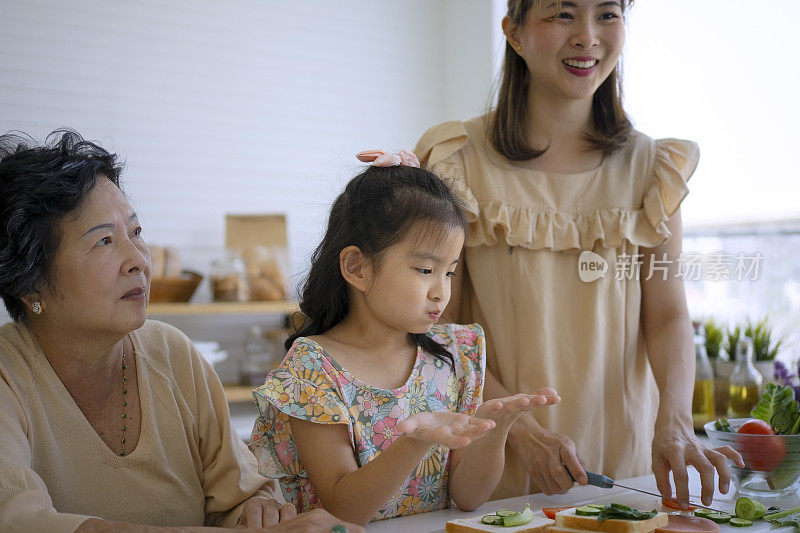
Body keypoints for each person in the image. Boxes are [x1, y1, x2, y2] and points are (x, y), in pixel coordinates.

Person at [414, 0, 743, 507]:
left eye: (607, 14)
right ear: (514, 33)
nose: (588, 36)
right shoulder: (458, 159)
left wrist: (675, 423)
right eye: (562, 14)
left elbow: (669, 316)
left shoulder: (651, 167)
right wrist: (519, 430)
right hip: (494, 471)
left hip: (629, 467)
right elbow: (439, 330)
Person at [0, 130, 363, 533]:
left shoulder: (171, 352)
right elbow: (20, 521)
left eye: (136, 233)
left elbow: (241, 493)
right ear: (29, 282)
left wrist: (259, 510)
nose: (137, 259)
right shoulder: (8, 376)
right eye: (104, 241)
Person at [248, 150, 561, 526]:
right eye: (426, 269)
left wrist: (495, 429)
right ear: (357, 267)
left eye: (449, 273)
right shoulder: (312, 370)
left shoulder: (454, 354)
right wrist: (416, 441)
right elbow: (344, 510)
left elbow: (468, 497)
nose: (441, 292)